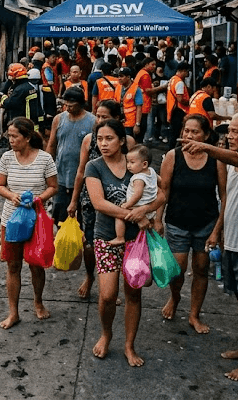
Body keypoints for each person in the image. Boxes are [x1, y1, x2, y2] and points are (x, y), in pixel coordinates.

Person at [179, 111, 238, 381]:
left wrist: (206, 147)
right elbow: (228, 201)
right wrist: (218, 232)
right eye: (228, 132)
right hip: (234, 242)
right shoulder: (232, 165)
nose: (229, 136)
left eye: (234, 132)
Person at [85, 119, 157, 366]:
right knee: (107, 296)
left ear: (122, 141)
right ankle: (106, 333)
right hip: (105, 236)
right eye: (100, 139)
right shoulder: (94, 167)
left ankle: (129, 345)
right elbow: (98, 203)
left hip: (134, 241)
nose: (103, 144)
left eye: (109, 138)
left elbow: (161, 193)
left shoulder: (135, 163)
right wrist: (135, 215)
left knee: (133, 294)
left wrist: (147, 209)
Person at [157, 114, 227, 334]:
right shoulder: (172, 156)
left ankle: (194, 314)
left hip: (206, 223)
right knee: (177, 269)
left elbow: (225, 196)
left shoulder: (216, 159)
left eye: (194, 131)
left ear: (206, 135)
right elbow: (163, 190)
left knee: (201, 269)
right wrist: (157, 219)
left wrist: (217, 230)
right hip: (177, 222)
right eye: (186, 131)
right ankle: (175, 298)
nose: (188, 135)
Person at [69, 100, 138, 299]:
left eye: (104, 117)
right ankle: (92, 276)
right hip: (91, 199)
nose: (99, 120)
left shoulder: (129, 144)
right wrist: (74, 200)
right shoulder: (90, 141)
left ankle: (114, 283)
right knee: (89, 242)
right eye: (97, 116)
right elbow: (81, 171)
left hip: (123, 201)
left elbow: (145, 175)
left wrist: (147, 212)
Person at [0, 116, 57, 329]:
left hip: (36, 222)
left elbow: (53, 186)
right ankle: (13, 312)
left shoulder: (44, 159)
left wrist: (40, 198)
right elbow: (0, 186)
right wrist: (11, 196)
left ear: (28, 137)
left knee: (36, 264)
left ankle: (38, 302)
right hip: (11, 221)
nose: (11, 140)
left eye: (15, 136)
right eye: (9, 136)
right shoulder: (6, 158)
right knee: (13, 266)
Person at [45, 87, 95, 225]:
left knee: (83, 217)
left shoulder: (92, 121)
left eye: (71, 106)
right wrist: (47, 167)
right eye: (66, 105)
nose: (68, 108)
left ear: (81, 104)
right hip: (61, 174)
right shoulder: (59, 119)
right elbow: (52, 144)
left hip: (83, 176)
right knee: (59, 214)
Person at [108, 145, 158, 246]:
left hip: (137, 206)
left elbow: (137, 195)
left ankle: (120, 237)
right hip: (150, 207)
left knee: (119, 215)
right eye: (127, 162)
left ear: (144, 164)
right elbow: (160, 181)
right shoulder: (151, 171)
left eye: (132, 162)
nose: (128, 166)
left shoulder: (138, 178)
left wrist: (127, 205)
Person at [1, 63, 42, 130]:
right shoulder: (30, 87)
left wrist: (4, 98)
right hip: (33, 123)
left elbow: (9, 104)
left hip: (23, 125)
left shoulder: (19, 90)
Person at [166, 62, 192, 144]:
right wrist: (190, 102)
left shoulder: (172, 79)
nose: (188, 74)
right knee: (177, 134)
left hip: (172, 109)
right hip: (180, 111)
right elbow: (180, 99)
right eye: (187, 72)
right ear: (183, 71)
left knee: (173, 134)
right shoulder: (179, 82)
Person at [117, 67, 143, 138]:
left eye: (122, 76)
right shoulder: (118, 87)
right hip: (120, 122)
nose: (119, 78)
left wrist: (137, 124)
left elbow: (139, 107)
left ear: (128, 77)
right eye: (118, 76)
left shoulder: (136, 89)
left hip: (131, 123)